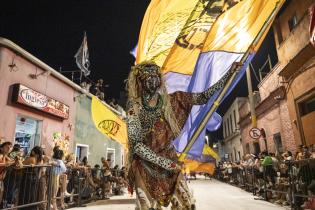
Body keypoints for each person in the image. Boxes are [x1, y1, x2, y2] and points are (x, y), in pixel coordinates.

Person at [126, 61, 235, 209]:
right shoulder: (134, 107)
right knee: (146, 206)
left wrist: (228, 75)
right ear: (140, 81)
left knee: (186, 204)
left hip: (169, 160)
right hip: (144, 165)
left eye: (156, 76)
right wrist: (163, 162)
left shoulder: (172, 100)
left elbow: (202, 97)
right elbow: (136, 143)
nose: (153, 80)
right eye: (148, 77)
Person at [0, 142, 13, 206]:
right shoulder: (1, 155)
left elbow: (12, 162)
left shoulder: (7, 157)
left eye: (10, 147)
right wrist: (5, 164)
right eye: (7, 147)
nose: (9, 148)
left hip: (1, 180)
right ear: (1, 148)